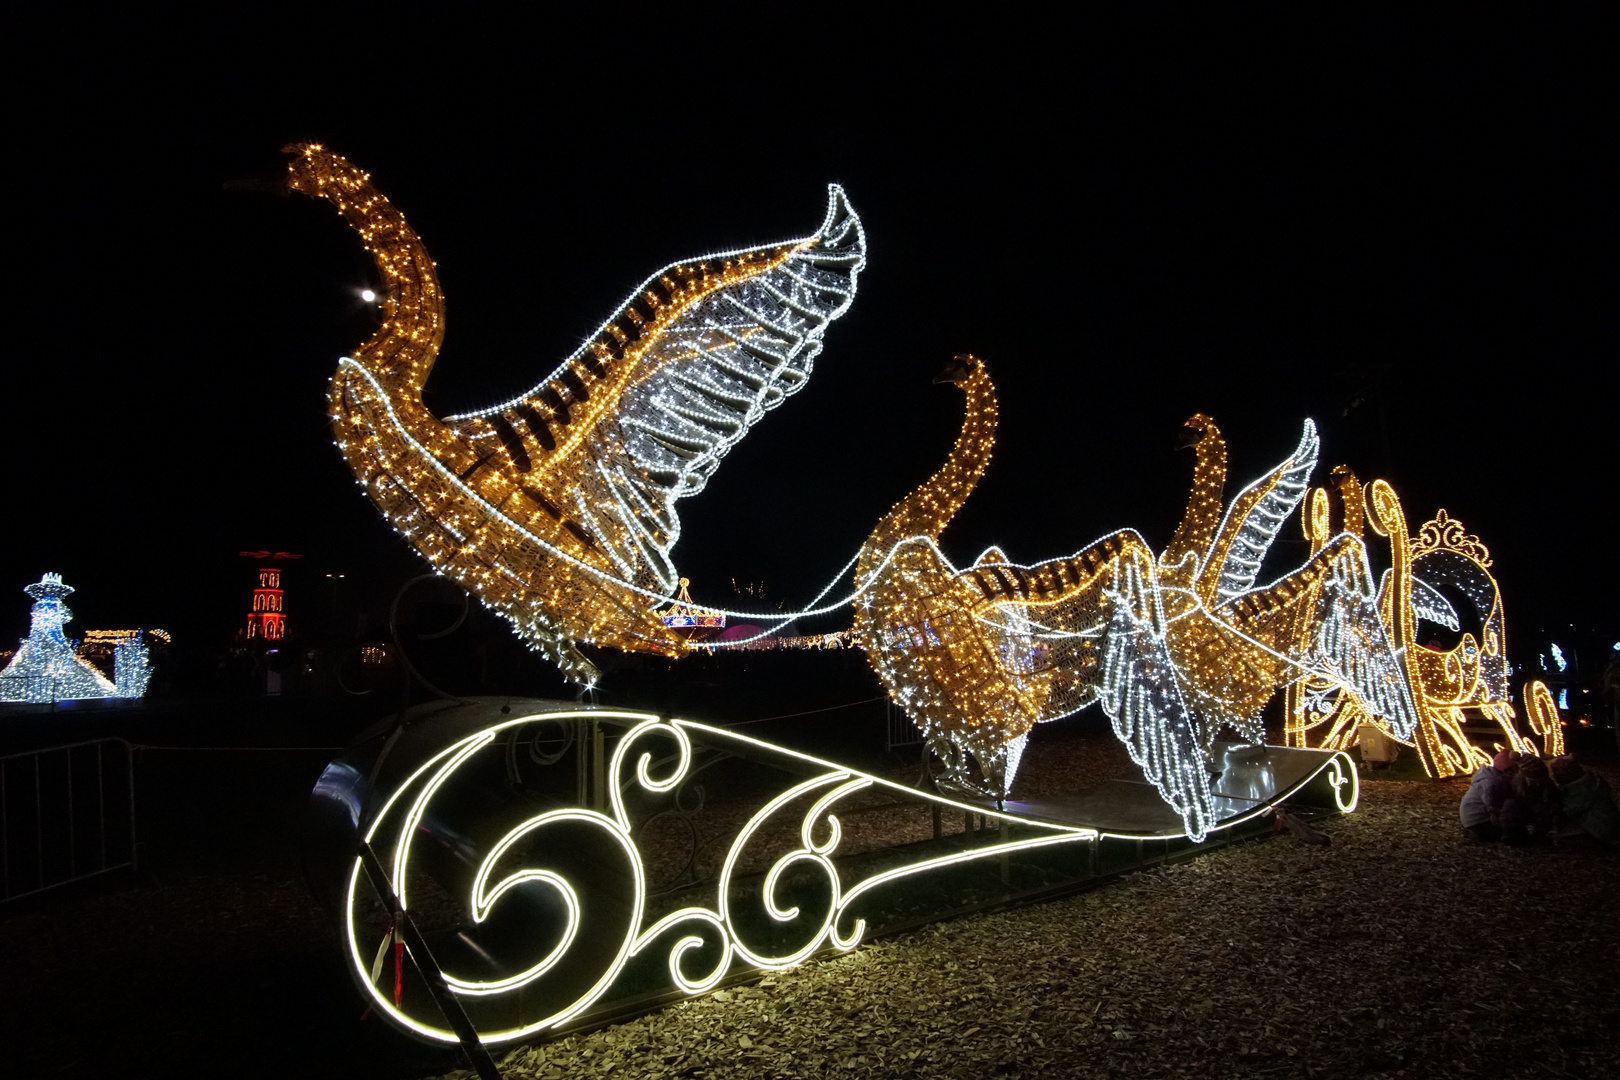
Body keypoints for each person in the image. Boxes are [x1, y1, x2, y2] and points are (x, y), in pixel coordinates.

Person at [1548, 754, 1620, 845]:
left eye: (1556, 773)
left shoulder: (1580, 791)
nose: (1554, 776)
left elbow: (1567, 811)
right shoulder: (1593, 781)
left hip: (1604, 831)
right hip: (1612, 824)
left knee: (1563, 833)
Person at [1459, 748, 1520, 842]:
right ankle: (1477, 834)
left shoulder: (1490, 778)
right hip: (1478, 821)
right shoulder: (1491, 783)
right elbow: (1493, 804)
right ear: (1507, 770)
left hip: (1473, 819)